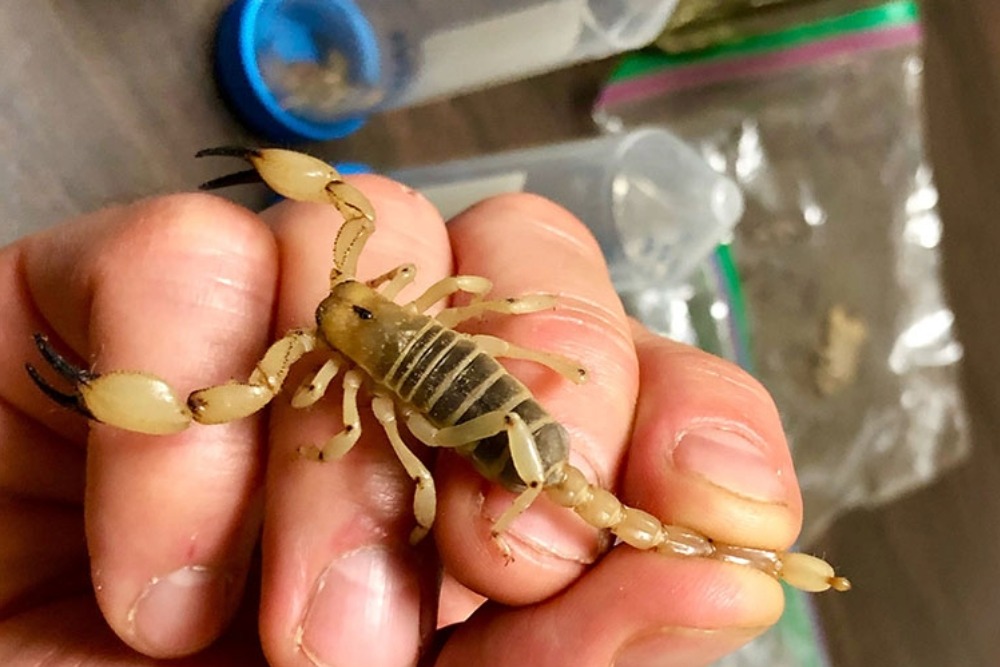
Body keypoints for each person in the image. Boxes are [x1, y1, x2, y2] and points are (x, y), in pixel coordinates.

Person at [0, 174, 805, 666]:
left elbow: (366, 404)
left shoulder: (336, 372)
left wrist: (553, 357)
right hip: (497, 426)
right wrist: (554, 363)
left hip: (508, 431)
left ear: (385, 284)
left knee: (432, 443)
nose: (335, 297)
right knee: (425, 446)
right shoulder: (382, 310)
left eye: (347, 291)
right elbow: (370, 227)